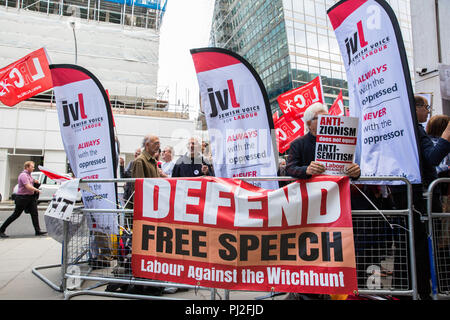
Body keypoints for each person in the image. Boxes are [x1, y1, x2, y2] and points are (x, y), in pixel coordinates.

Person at [389, 95, 450, 299]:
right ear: (415, 109)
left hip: (406, 193)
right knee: (419, 245)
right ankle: (421, 289)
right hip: (418, 195)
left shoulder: (402, 131)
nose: (428, 111)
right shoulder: (415, 130)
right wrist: (446, 137)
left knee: (408, 245)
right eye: (425, 107)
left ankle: (407, 288)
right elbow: (433, 158)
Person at [286, 102, 361, 179]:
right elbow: (289, 169)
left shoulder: (339, 140)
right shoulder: (297, 144)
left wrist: (355, 172)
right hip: (310, 189)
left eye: (328, 117)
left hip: (337, 188)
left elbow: (349, 169)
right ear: (309, 123)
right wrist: (307, 170)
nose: (328, 120)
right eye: (322, 118)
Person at [0, 161, 47, 238]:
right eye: (32, 167)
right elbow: (28, 186)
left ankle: (38, 231)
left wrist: (35, 182)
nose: (33, 168)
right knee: (16, 215)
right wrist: (37, 190)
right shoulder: (23, 175)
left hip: (30, 198)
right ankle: (1, 230)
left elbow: (31, 183)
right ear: (27, 167)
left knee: (34, 214)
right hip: (22, 198)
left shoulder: (29, 175)